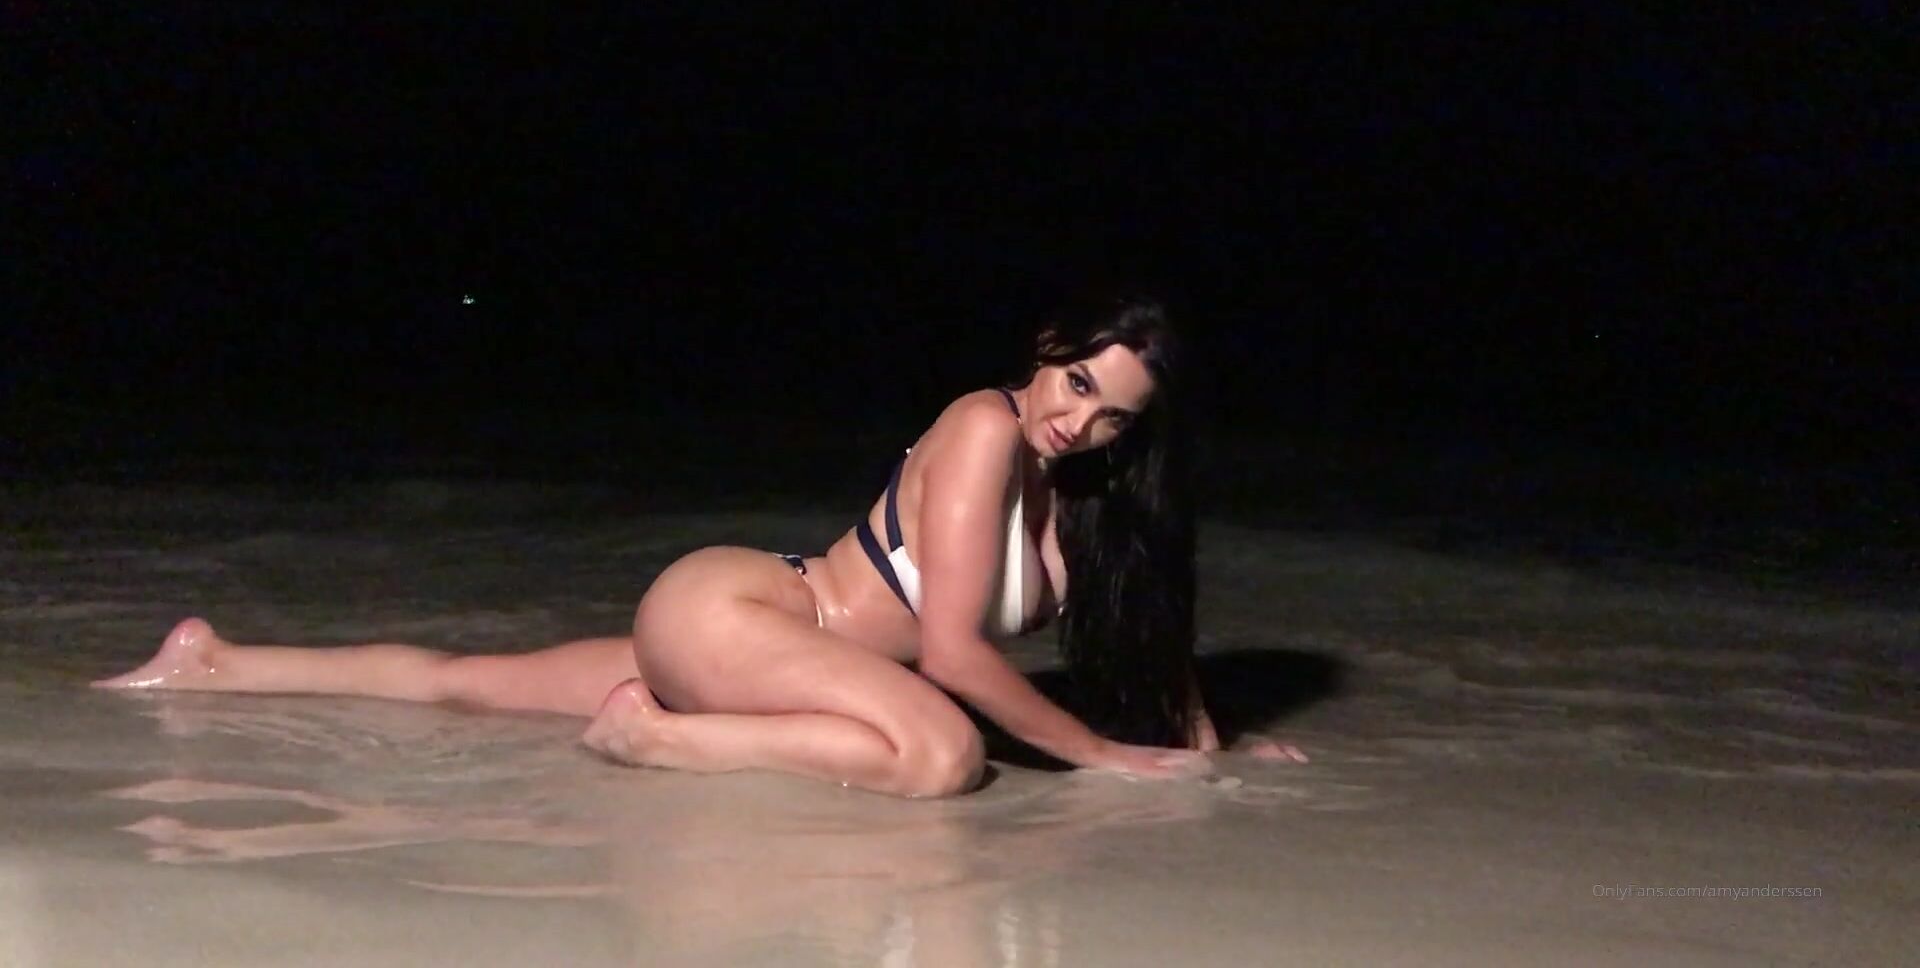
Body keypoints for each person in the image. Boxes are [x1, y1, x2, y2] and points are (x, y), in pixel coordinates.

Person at [96, 292, 1304, 797]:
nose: (1079, 418)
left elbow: (1147, 629)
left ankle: (217, 660)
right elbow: (949, 651)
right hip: (749, 614)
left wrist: (1208, 745)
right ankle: (653, 736)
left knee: (471, 684)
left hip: (763, 649)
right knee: (943, 753)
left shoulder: (1079, 499)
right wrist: (1098, 754)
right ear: (1046, 349)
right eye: (1078, 380)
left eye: (1112, 414)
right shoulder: (987, 425)